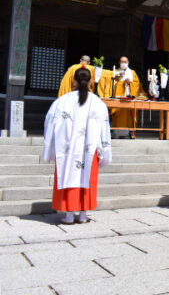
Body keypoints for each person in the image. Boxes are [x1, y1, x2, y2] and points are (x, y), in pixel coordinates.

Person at [44, 67, 113, 225]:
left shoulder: (62, 101)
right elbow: (104, 129)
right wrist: (104, 152)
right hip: (89, 151)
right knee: (86, 179)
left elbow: (50, 123)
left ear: (74, 81)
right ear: (90, 82)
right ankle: (83, 215)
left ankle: (68, 215)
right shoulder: (98, 103)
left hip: (67, 149)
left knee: (69, 177)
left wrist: (51, 148)